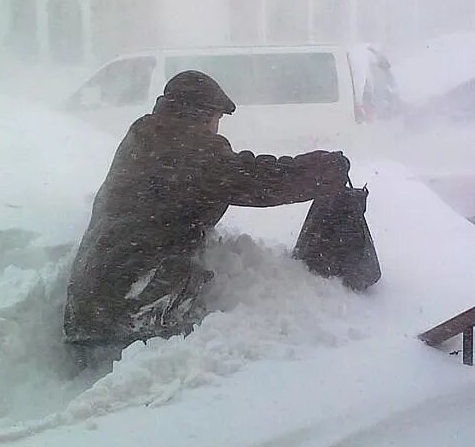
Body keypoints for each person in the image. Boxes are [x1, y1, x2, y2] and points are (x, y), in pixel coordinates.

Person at [63, 70, 350, 368]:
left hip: (90, 297)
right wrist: (325, 170)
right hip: (132, 300)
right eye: (217, 118)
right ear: (200, 114)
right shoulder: (191, 149)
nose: (216, 127)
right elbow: (260, 180)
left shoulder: (144, 135)